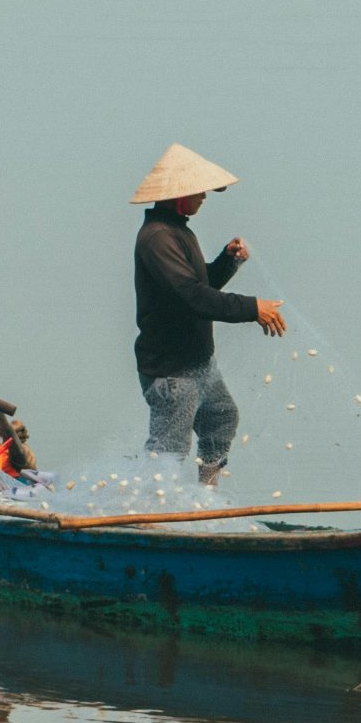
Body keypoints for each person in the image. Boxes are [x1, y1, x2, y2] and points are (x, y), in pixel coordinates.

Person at [127, 143, 288, 485]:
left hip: (197, 363)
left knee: (221, 417)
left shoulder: (178, 231)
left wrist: (228, 261)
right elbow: (193, 297)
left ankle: (205, 497)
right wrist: (251, 307)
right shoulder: (157, 238)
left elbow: (198, 285)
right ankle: (150, 512)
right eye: (200, 193)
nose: (204, 198)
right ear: (180, 196)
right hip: (171, 372)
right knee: (168, 449)